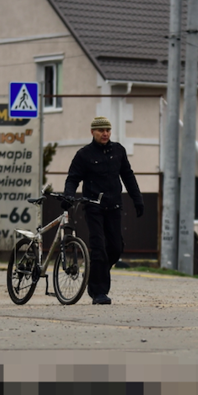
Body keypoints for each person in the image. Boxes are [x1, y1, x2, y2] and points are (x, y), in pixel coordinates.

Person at [62, 116, 144, 305]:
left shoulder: (118, 151)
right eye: (101, 130)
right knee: (98, 247)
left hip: (114, 206)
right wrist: (68, 195)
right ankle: (99, 292)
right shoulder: (84, 154)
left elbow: (128, 176)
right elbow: (73, 178)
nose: (105, 133)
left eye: (107, 130)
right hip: (93, 207)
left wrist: (137, 199)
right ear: (93, 132)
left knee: (115, 248)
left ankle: (94, 273)